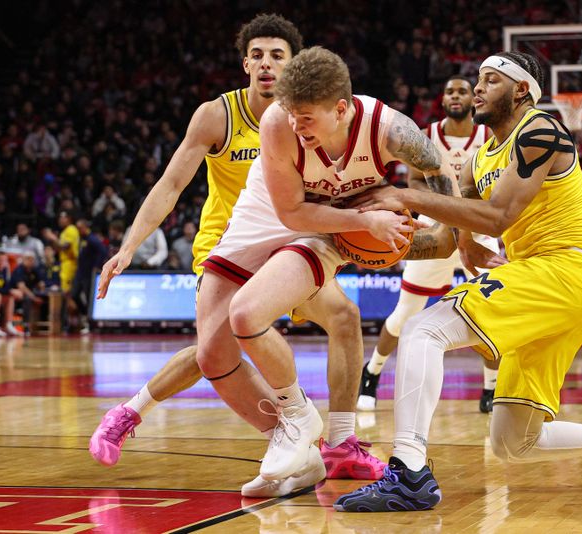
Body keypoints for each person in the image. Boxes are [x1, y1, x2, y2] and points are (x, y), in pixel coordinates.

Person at [335, 51, 582, 513]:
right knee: (513, 441)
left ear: (521, 90)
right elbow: (445, 240)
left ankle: (408, 473)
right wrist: (355, 248)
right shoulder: (479, 159)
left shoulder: (540, 129)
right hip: (550, 283)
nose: (477, 88)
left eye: (491, 80)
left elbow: (496, 218)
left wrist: (402, 193)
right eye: (478, 78)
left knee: (423, 329)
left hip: (563, 270)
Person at [89, 15, 385, 497]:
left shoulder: (310, 116)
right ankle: (136, 412)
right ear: (245, 61)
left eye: (278, 56)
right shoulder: (216, 115)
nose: (267, 64)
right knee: (213, 350)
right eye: (259, 55)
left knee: (345, 318)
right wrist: (128, 248)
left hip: (289, 242)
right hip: (228, 246)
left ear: (295, 64)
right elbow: (171, 184)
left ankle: (340, 442)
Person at [204, 46, 458, 485]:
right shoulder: (278, 124)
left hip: (324, 231)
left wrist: (444, 237)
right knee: (214, 349)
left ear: (341, 109)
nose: (297, 126)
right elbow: (291, 213)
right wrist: (368, 222)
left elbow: (441, 183)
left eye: (307, 118)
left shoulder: (390, 130)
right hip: (277, 217)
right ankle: (297, 418)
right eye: (291, 115)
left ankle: (335, 441)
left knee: (258, 315)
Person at [358, 75, 501, 413]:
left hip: (477, 231)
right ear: (443, 99)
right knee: (405, 313)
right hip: (437, 231)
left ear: (473, 98)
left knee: (491, 313)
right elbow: (414, 181)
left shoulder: (489, 136)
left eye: (462, 90)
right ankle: (372, 373)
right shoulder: (427, 136)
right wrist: (448, 205)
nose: (455, 95)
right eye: (450, 91)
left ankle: (490, 390)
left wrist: (463, 210)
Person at [11, 251, 47, 335]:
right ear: (23, 259)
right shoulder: (19, 270)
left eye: (32, 259)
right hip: (18, 295)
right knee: (27, 299)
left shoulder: (34, 270)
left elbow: (41, 283)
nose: (31, 261)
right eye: (28, 259)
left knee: (45, 299)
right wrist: (34, 298)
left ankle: (42, 325)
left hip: (31, 293)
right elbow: (22, 287)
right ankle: (25, 326)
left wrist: (42, 289)